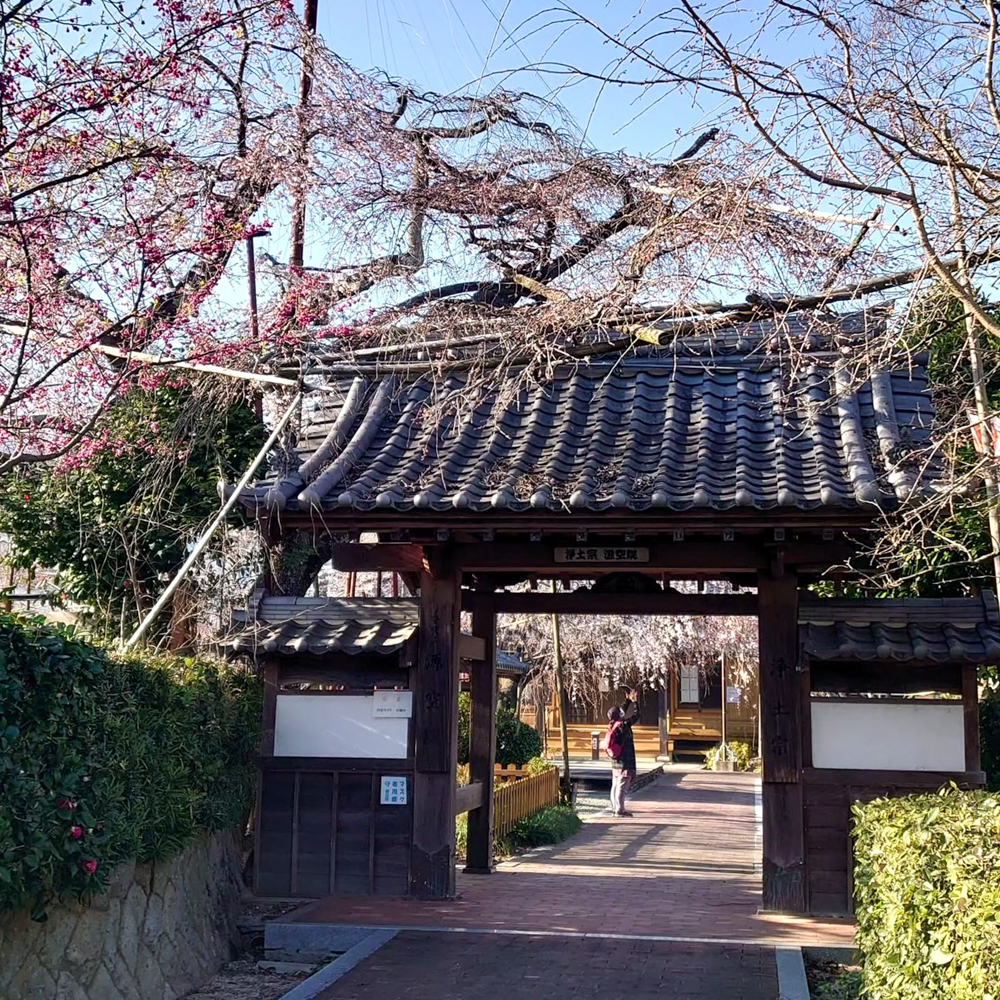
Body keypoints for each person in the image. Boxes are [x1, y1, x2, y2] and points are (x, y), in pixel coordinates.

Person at [608, 687, 640, 817]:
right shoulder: (624, 726)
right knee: (622, 787)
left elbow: (620, 712)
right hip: (625, 761)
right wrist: (635, 702)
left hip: (615, 760)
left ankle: (614, 807)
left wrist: (627, 700)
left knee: (615, 785)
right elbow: (636, 716)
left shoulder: (612, 724)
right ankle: (619, 810)